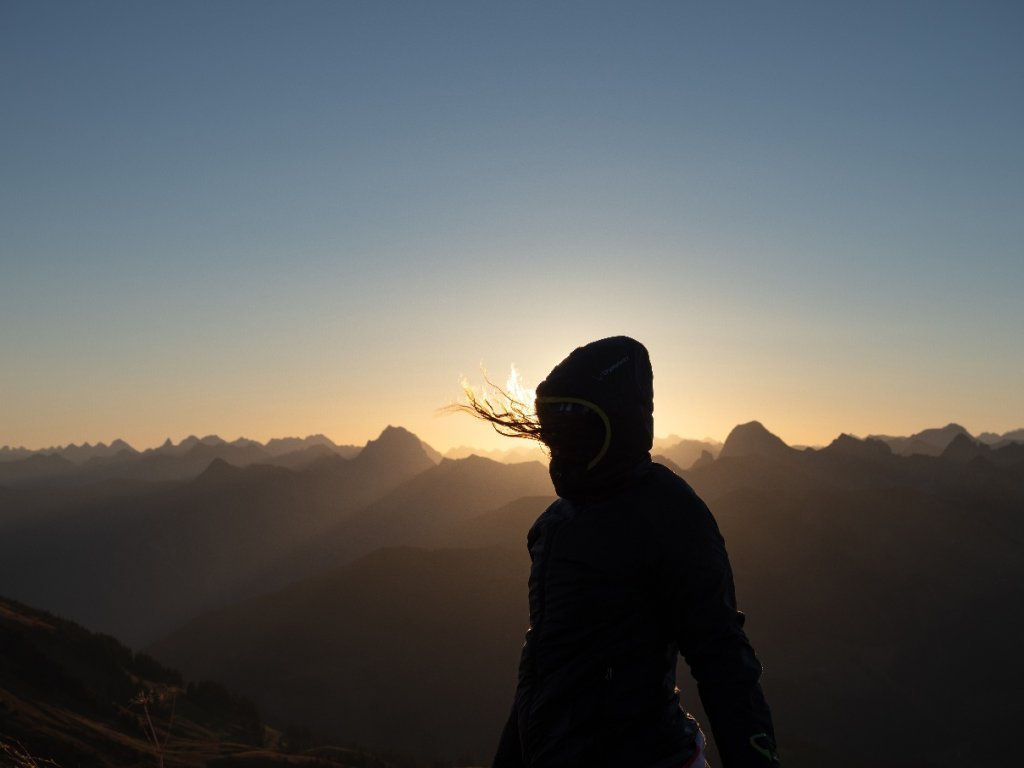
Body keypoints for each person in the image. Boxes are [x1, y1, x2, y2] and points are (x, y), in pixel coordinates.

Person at [460, 336, 779, 768]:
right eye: (553, 431)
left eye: (572, 428)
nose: (559, 450)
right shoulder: (554, 526)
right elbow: (546, 663)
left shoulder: (671, 515)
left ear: (617, 426)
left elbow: (722, 657)